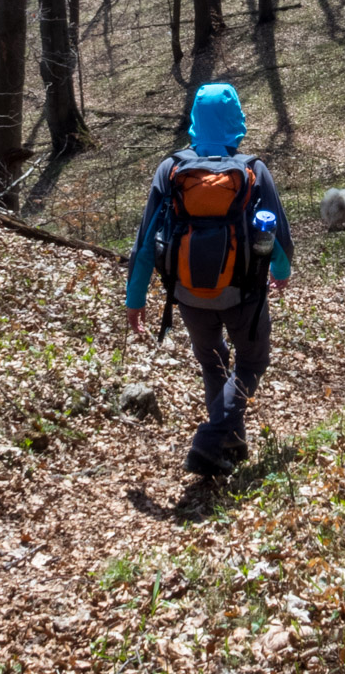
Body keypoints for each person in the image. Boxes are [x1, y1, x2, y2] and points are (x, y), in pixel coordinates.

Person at [125, 83, 293, 476]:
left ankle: (230, 445)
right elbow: (277, 234)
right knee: (252, 360)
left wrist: (135, 299)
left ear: (195, 119)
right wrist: (281, 273)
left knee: (213, 362)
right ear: (237, 118)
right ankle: (210, 439)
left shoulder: (172, 169)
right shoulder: (252, 169)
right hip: (244, 292)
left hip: (187, 293)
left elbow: (146, 240)